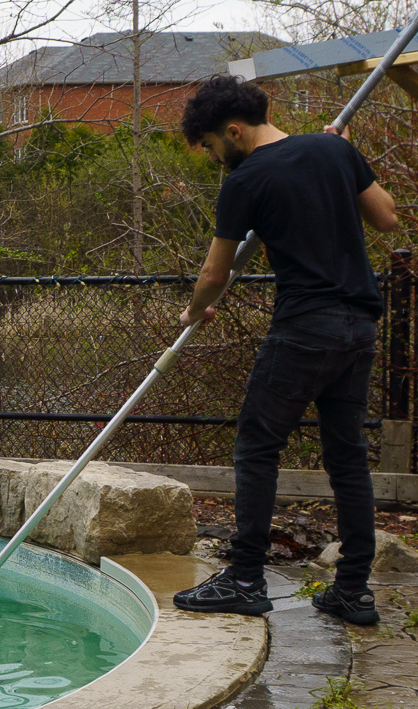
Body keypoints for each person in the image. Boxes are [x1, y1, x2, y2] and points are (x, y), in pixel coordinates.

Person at [170, 74, 399, 625]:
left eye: (208, 145)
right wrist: (345, 153)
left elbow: (214, 272)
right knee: (347, 458)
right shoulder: (333, 149)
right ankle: (353, 590)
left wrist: (194, 308)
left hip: (304, 327)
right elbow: (387, 216)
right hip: (360, 326)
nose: (210, 157)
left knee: (257, 445)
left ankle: (246, 578)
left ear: (233, 130)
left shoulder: (245, 179)